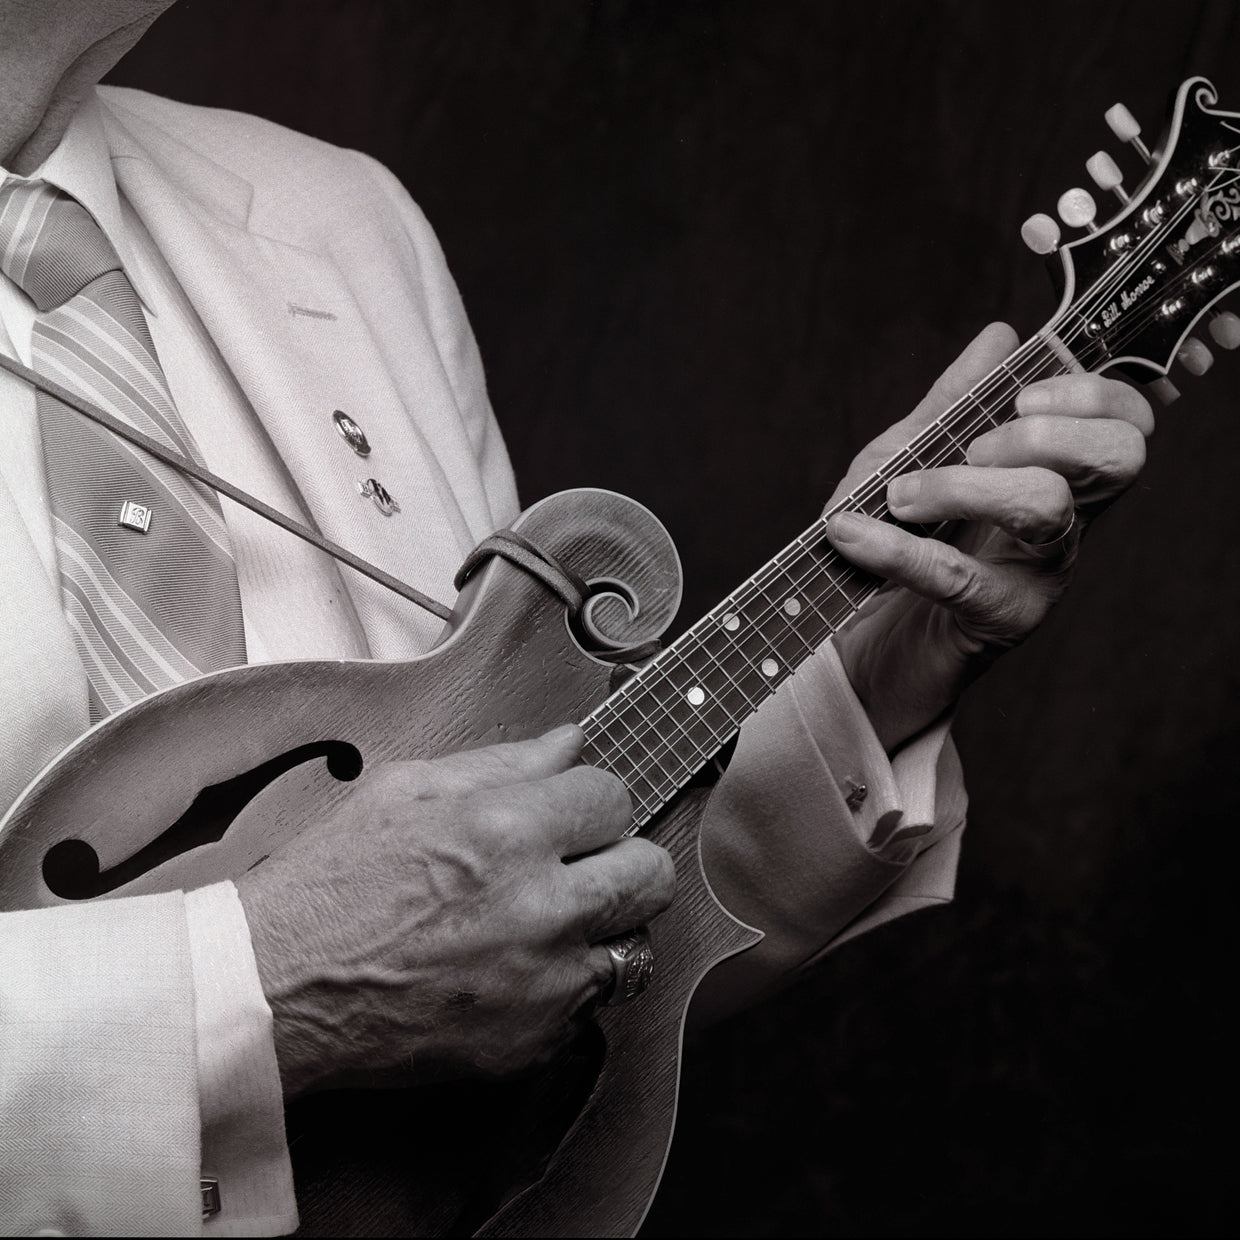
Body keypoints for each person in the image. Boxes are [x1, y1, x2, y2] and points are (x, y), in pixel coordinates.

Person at [0, 2, 1153, 1235]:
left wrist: (873, 660)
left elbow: (510, 957)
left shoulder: (337, 220)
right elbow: (365, 953)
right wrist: (259, 985)